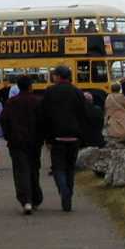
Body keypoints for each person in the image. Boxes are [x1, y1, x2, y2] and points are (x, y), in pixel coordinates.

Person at [40, 65, 87, 212]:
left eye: (54, 75)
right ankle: (69, 194)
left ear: (58, 76)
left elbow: (45, 116)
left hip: (57, 136)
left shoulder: (50, 92)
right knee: (70, 168)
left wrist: (46, 137)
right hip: (74, 136)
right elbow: (83, 114)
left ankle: (63, 190)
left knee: (58, 167)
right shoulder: (78, 92)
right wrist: (81, 134)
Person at [1, 76, 43, 214]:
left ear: (18, 87)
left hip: (16, 142)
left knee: (20, 171)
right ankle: (36, 198)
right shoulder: (37, 102)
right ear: (30, 86)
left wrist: (8, 136)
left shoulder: (11, 103)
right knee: (34, 169)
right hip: (35, 141)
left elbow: (4, 121)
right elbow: (44, 121)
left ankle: (26, 201)